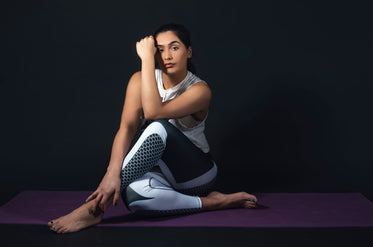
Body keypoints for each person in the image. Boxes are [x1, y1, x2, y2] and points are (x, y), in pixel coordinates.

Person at [48, 23, 257, 233]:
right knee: (136, 197)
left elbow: (153, 112)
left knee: (158, 126)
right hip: (160, 173)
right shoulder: (139, 81)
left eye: (174, 48)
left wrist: (147, 59)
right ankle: (216, 202)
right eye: (160, 49)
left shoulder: (200, 90)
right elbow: (126, 128)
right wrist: (111, 174)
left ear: (189, 52)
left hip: (196, 173)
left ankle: (94, 208)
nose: (166, 55)